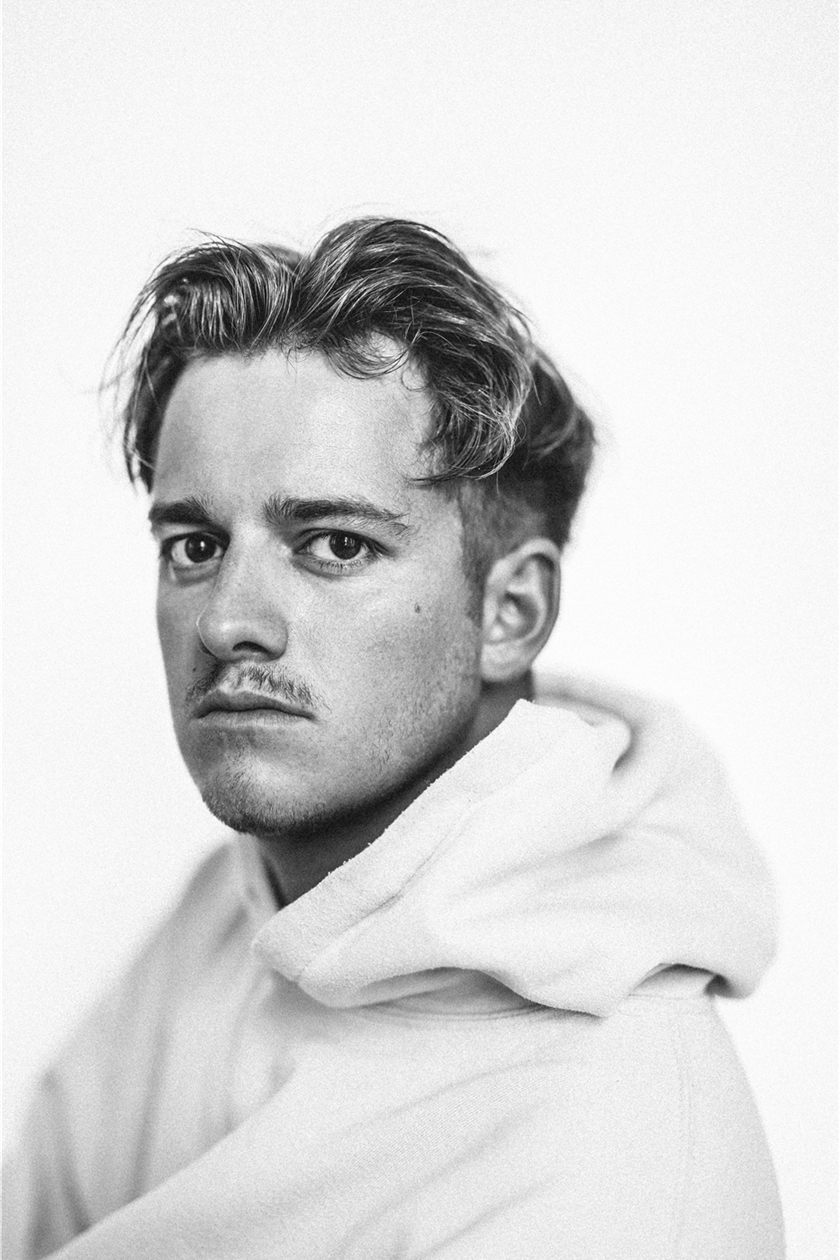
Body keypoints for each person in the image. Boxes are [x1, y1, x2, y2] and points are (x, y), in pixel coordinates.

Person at [3, 218, 784, 1258]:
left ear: (511, 613)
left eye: (334, 544)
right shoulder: (227, 909)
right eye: (194, 545)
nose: (229, 620)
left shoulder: (613, 1153)